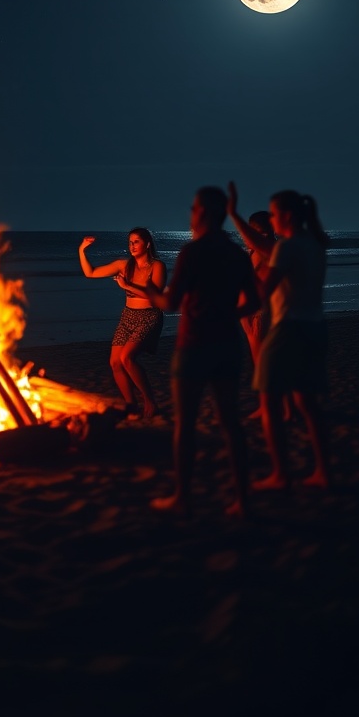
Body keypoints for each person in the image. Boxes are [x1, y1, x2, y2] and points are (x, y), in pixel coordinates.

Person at [129, 187, 260, 518]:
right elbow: (254, 301)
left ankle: (183, 496)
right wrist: (228, 314)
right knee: (230, 422)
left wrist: (150, 292)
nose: (191, 214)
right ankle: (243, 500)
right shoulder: (237, 255)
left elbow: (170, 303)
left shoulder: (193, 252)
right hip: (228, 343)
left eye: (193, 209)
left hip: (194, 344)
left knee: (185, 423)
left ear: (202, 213)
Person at [250, 189, 331, 490]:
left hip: (289, 329)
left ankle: (280, 473)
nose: (271, 219)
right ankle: (324, 471)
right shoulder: (316, 243)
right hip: (315, 327)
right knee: (308, 404)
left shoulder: (287, 247)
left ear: (286, 216)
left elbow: (263, 291)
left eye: (273, 214)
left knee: (269, 400)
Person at [78, 228, 167, 419]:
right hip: (128, 316)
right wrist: (82, 250)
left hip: (149, 316)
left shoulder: (157, 266)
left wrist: (127, 286)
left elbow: (157, 297)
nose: (132, 246)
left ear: (147, 244)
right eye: (130, 242)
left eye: (136, 242)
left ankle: (150, 401)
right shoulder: (124, 265)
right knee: (115, 362)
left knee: (127, 358)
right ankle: (131, 405)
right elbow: (90, 272)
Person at [227, 182, 293, 422]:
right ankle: (276, 407)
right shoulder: (254, 250)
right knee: (261, 363)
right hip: (248, 310)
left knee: (265, 362)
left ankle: (279, 409)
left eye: (261, 232)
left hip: (260, 310)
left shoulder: (271, 249)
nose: (256, 236)